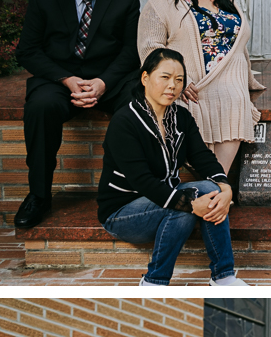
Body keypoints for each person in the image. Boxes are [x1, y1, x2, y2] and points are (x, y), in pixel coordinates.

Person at [14, 0, 140, 229]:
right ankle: (39, 195)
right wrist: (67, 79)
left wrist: (103, 83)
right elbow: (28, 50)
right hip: (59, 78)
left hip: (108, 78)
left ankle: (127, 190)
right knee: (40, 107)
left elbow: (131, 51)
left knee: (137, 103)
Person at [97, 48, 248, 287]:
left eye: (179, 80)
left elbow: (203, 158)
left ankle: (224, 277)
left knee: (210, 190)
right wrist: (189, 203)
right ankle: (154, 281)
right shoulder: (125, 121)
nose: (172, 86)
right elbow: (142, 181)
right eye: (165, 77)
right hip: (123, 213)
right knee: (184, 205)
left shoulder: (181, 117)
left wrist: (225, 187)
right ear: (145, 78)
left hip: (161, 202)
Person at [138, 0, 262, 180]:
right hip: (191, 86)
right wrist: (176, 81)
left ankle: (216, 185)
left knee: (235, 100)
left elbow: (238, 39)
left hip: (230, 82)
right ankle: (216, 190)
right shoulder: (163, 1)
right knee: (192, 108)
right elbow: (149, 48)